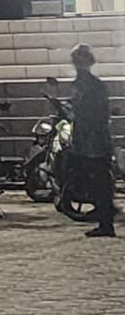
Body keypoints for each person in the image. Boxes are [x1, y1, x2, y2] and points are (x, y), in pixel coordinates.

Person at [70, 44, 116, 238]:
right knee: (95, 179)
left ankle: (106, 220)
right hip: (89, 137)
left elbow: (95, 114)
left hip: (93, 138)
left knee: (99, 180)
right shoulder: (85, 84)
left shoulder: (91, 85)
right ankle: (103, 213)